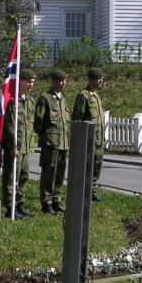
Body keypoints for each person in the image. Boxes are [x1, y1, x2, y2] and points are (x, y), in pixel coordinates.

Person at [0, 69, 37, 218]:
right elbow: (10, 125)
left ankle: (19, 205)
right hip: (15, 146)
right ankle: (10, 207)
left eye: (32, 82)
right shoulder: (13, 101)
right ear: (20, 81)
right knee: (11, 177)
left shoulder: (30, 100)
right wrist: (13, 146)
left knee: (24, 176)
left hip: (26, 145)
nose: (30, 84)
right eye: (28, 81)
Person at [33, 69, 70, 214]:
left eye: (65, 81)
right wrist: (46, 137)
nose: (63, 83)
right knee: (49, 173)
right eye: (61, 81)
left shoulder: (63, 100)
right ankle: (46, 202)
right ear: (54, 81)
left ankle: (56, 200)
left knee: (60, 173)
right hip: (51, 143)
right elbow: (38, 122)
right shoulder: (45, 99)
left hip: (64, 143)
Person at [71, 67, 106, 201]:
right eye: (99, 79)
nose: (101, 81)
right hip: (88, 140)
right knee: (87, 167)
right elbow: (78, 118)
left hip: (98, 139)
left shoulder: (96, 95)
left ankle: (93, 191)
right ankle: (84, 191)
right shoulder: (84, 95)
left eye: (102, 79)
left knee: (96, 166)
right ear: (91, 79)